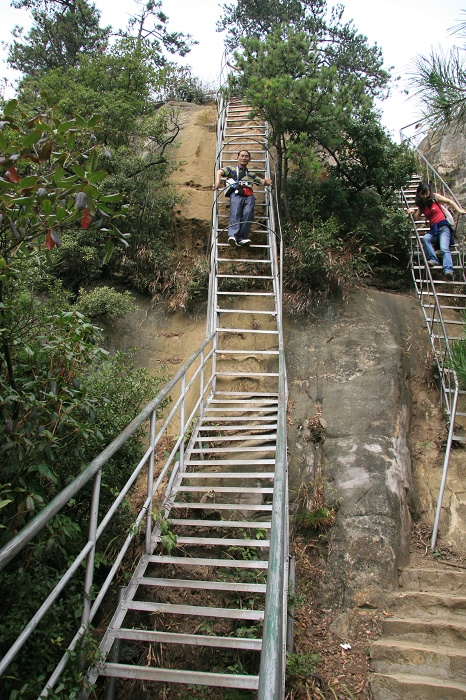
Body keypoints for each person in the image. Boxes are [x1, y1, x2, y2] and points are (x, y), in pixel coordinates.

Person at [407, 182, 466, 281]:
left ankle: (448, 270)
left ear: (429, 191)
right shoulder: (422, 206)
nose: (425, 196)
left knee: (444, 248)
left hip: (443, 227)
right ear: (419, 194)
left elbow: (449, 202)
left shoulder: (435, 197)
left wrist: (459, 210)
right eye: (423, 194)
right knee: (425, 238)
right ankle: (433, 259)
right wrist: (412, 212)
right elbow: (416, 218)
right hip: (434, 230)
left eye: (427, 193)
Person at [213, 149, 273, 247]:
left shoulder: (251, 174)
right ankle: (232, 235)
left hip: (248, 196)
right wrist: (217, 181)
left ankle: (241, 238)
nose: (244, 158)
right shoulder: (231, 169)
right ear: (238, 157)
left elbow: (261, 181)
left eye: (246, 156)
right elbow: (220, 171)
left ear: (249, 159)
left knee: (248, 214)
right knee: (235, 213)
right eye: (242, 156)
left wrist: (267, 181)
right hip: (236, 194)